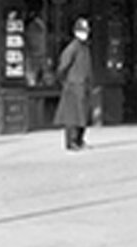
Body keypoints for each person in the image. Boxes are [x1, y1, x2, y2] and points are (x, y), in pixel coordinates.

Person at [53, 18, 93, 151]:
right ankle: (71, 142)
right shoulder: (72, 48)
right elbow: (62, 67)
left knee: (83, 115)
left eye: (85, 30)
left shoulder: (85, 47)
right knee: (72, 116)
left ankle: (80, 140)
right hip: (73, 85)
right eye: (82, 31)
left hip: (84, 85)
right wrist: (65, 82)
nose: (84, 33)